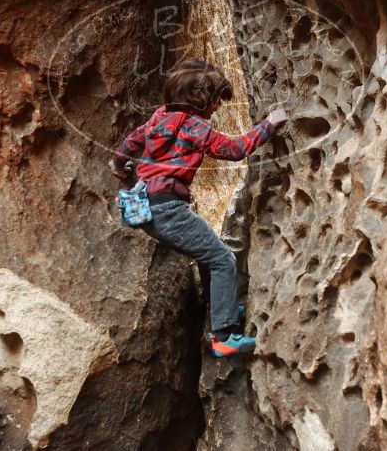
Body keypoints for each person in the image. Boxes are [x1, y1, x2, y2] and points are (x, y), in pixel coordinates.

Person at [109, 59, 288, 357]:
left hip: (147, 207)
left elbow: (131, 141)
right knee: (222, 260)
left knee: (208, 253)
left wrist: (118, 164)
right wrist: (268, 125)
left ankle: (223, 307)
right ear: (200, 99)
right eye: (216, 100)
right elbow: (235, 150)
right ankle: (224, 337)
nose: (217, 107)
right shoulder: (195, 127)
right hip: (170, 209)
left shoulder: (158, 118)